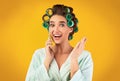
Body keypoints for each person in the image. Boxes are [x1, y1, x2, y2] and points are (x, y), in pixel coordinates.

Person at [25, 4, 93, 81]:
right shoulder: (39, 55)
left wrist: (74, 59)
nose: (56, 30)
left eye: (61, 25)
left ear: (71, 28)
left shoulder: (84, 57)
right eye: (52, 25)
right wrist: (47, 61)